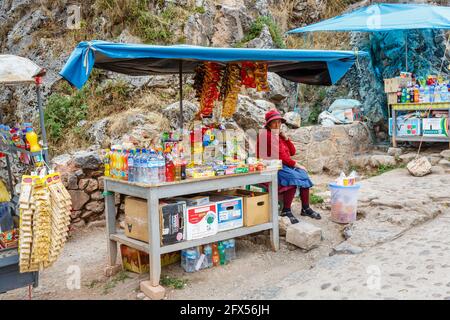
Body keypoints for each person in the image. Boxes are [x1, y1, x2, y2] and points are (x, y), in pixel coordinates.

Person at [257, 109, 321, 224]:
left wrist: (286, 138)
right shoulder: (265, 135)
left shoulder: (278, 135)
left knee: (303, 174)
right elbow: (281, 156)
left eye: (279, 122)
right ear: (268, 124)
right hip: (270, 168)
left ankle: (305, 208)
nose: (277, 125)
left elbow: (292, 151)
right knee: (292, 178)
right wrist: (297, 164)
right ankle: (286, 210)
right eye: (274, 122)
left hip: (283, 166)